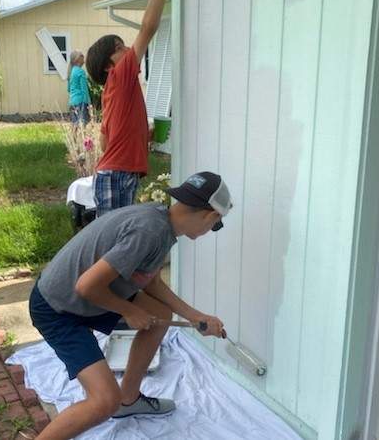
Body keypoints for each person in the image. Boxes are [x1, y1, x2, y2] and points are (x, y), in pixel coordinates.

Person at [30, 172, 233, 440]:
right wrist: (128, 310)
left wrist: (196, 317)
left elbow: (151, 283)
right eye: (216, 225)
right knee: (104, 401)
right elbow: (86, 286)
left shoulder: (162, 222)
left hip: (88, 295)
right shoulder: (150, 231)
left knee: (160, 313)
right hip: (59, 307)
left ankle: (129, 399)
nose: (211, 231)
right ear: (210, 216)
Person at [86, 0, 168, 217]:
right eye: (119, 47)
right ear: (107, 66)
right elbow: (147, 29)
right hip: (116, 176)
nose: (127, 50)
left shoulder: (113, 92)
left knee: (118, 237)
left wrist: (142, 135)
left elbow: (105, 142)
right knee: (116, 240)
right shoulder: (119, 76)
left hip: (115, 175)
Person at [67, 50, 91, 127]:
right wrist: (88, 103)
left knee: (75, 124)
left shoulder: (71, 72)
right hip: (81, 101)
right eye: (82, 57)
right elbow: (84, 89)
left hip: (72, 101)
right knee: (83, 123)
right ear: (77, 59)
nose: (84, 59)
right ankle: (83, 138)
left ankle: (73, 139)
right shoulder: (81, 72)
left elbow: (69, 89)